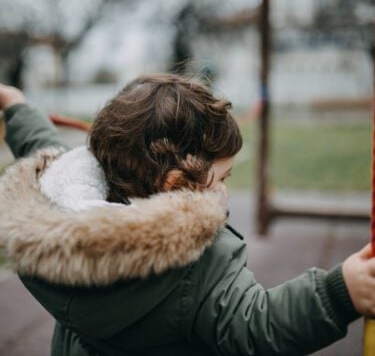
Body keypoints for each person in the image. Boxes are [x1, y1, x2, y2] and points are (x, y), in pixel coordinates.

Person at [0, 75, 374, 356]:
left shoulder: (61, 212)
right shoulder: (192, 268)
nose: (224, 189)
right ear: (177, 183)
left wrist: (16, 105)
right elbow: (259, 325)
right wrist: (339, 293)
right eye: (222, 178)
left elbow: (42, 149)